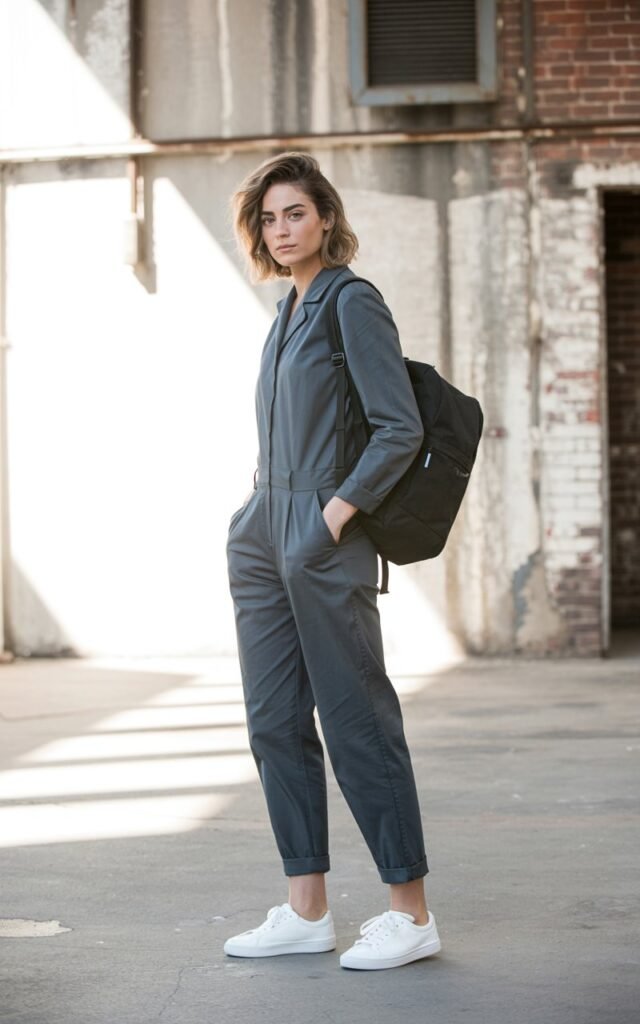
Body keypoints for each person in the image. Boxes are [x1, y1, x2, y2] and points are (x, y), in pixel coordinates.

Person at [224, 152, 441, 971]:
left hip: (322, 535)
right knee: (274, 722)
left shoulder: (353, 302)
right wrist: (255, 517)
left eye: (296, 215)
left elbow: (400, 428)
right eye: (269, 218)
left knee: (357, 723)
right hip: (262, 531)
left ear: (325, 219)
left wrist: (330, 518)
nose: (282, 231)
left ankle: (411, 913)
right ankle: (306, 908)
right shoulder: (287, 311)